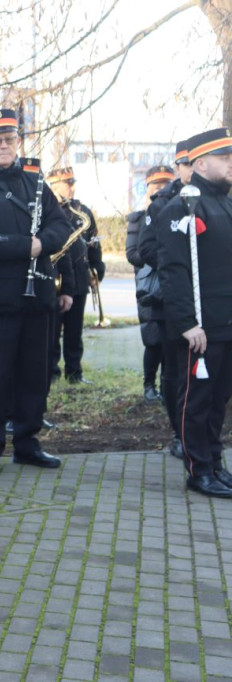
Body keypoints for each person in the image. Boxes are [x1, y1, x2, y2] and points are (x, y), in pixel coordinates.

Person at [0, 109, 71, 475]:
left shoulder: (36, 184)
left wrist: (42, 244)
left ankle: (27, 442)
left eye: (9, 139)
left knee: (34, 374)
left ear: (18, 141)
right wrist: (28, 247)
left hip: (37, 297)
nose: (4, 145)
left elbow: (60, 225)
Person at [156, 128, 232, 498]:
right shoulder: (184, 206)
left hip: (226, 323)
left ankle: (214, 462)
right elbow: (174, 270)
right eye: (225, 158)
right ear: (201, 163)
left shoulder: (225, 203)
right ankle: (197, 469)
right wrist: (187, 323)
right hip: (201, 327)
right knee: (196, 401)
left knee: (218, 400)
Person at [140, 141, 192, 460]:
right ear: (178, 167)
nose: (192, 168)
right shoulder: (160, 203)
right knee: (173, 373)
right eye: (186, 163)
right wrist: (181, 260)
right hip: (170, 302)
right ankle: (178, 432)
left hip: (209, 304)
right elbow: (145, 250)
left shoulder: (218, 198)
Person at [45, 166, 105, 384]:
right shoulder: (48, 210)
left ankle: (74, 372)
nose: (71, 188)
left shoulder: (83, 211)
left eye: (72, 183)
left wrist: (98, 267)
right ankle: (51, 372)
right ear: (52, 186)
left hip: (79, 279)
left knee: (74, 332)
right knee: (51, 332)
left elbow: (94, 243)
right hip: (55, 280)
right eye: (66, 183)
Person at [126, 165, 176, 404]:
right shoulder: (139, 218)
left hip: (170, 285)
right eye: (156, 186)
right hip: (149, 286)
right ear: (147, 189)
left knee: (170, 339)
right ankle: (149, 386)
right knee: (153, 340)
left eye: (165, 185)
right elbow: (132, 253)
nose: (161, 190)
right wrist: (159, 259)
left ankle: (167, 387)